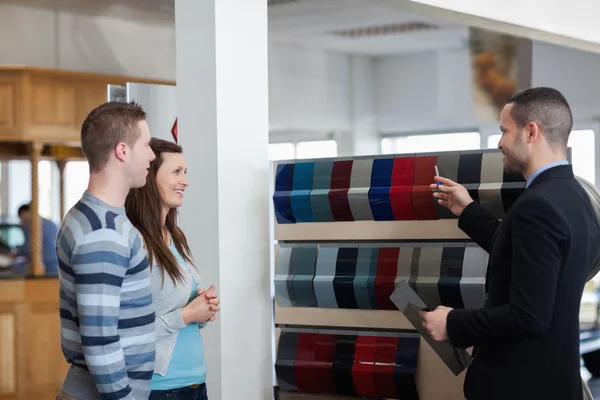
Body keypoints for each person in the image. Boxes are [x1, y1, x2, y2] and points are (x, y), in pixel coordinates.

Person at [422, 87, 600, 400]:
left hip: (520, 385)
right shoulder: (576, 198)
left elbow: (528, 315)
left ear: (531, 131)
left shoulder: (537, 205)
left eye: (504, 131)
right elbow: (528, 258)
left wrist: (453, 322)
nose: (500, 142)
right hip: (556, 383)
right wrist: (468, 210)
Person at [56, 101, 157, 400]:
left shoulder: (93, 216)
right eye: (147, 145)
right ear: (122, 151)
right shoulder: (103, 232)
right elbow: (100, 340)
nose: (152, 156)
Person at [125, 138, 220, 400]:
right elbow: (127, 329)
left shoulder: (174, 235)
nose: (185, 181)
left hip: (194, 382)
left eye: (185, 172)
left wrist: (202, 308)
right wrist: (188, 314)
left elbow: (175, 308)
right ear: (149, 177)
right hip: (160, 388)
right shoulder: (135, 242)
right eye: (176, 172)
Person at [15, 203, 59, 275]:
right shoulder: (51, 223)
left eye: (21, 218)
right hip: (56, 264)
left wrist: (16, 254)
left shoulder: (30, 224)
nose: (21, 220)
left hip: (43, 266)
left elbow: (27, 249)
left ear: (23, 213)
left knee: (14, 267)